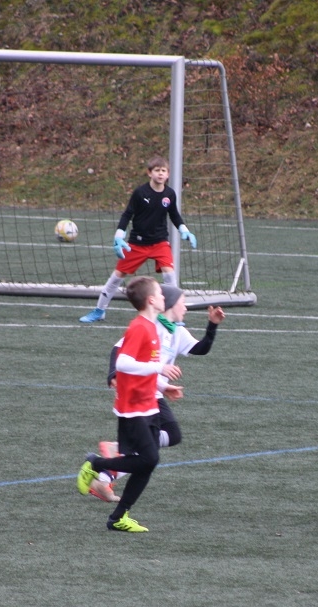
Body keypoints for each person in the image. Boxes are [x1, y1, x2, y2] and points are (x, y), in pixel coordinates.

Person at [88, 284, 226, 502]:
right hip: (141, 392)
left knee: (165, 440)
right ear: (169, 304)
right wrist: (113, 373)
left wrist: (212, 325)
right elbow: (118, 349)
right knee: (152, 451)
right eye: (183, 302)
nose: (186, 308)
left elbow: (201, 348)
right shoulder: (150, 326)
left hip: (155, 391)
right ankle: (107, 468)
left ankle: (106, 473)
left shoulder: (177, 331)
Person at [76, 276, 182, 532]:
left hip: (149, 403)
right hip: (133, 408)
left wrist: (162, 387)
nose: (164, 297)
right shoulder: (140, 328)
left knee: (148, 462)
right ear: (151, 300)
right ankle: (96, 464)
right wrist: (160, 368)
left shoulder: (153, 326)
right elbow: (123, 363)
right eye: (160, 293)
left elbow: (143, 368)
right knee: (149, 459)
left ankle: (118, 517)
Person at [79, 155, 197, 323]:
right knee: (117, 277)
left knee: (170, 276)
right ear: (149, 173)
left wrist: (185, 230)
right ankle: (99, 310)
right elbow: (127, 214)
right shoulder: (140, 193)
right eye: (157, 170)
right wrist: (119, 235)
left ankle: (172, 316)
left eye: (163, 171)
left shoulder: (170, 194)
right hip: (137, 243)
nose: (160, 173)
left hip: (160, 243)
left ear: (168, 174)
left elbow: (174, 215)